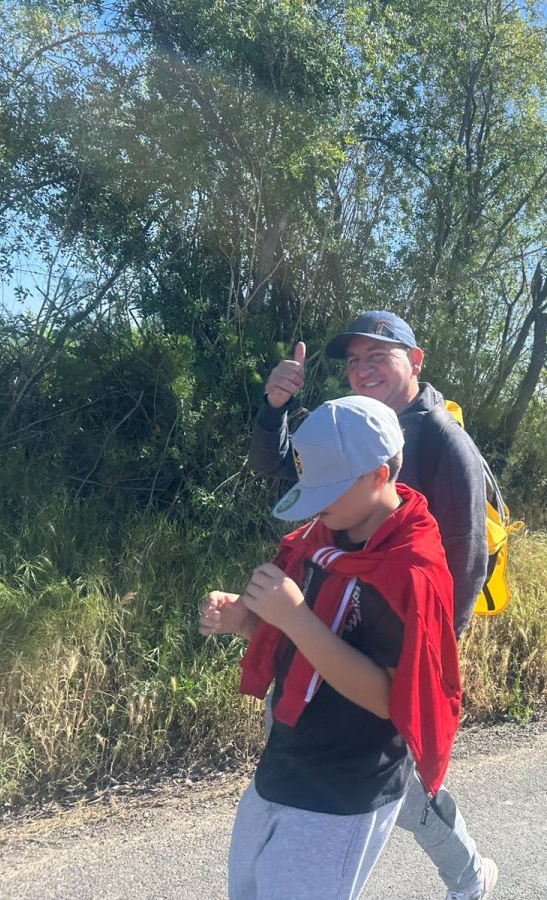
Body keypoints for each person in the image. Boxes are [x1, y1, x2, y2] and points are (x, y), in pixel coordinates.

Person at [249, 311, 497, 900]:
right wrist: (276, 407)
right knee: (328, 752)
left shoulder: (442, 441)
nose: (361, 370)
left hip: (391, 644)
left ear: (415, 360)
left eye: (377, 356)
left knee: (399, 783)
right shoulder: (354, 423)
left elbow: (464, 562)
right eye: (353, 360)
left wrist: (421, 663)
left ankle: (470, 877)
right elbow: (285, 473)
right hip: (331, 623)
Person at [201, 397, 462, 899]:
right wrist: (247, 621)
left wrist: (295, 618)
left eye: (329, 488)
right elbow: (298, 646)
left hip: (346, 785)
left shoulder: (410, 571)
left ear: (377, 475)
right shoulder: (321, 538)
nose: (317, 504)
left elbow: (392, 699)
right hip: (283, 763)